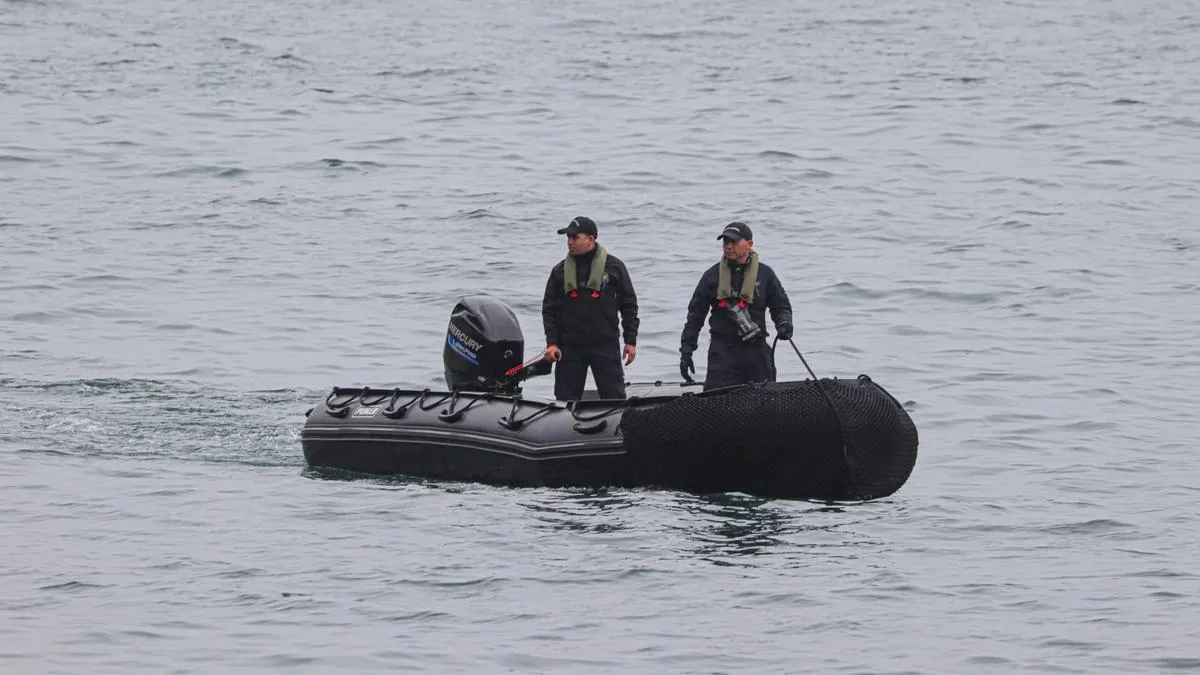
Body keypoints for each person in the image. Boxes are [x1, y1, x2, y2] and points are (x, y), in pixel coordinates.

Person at [679, 221, 794, 390]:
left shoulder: (765, 274)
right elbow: (695, 317)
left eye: (734, 242)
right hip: (723, 352)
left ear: (749, 244)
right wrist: (686, 351)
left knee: (766, 401)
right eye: (726, 242)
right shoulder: (711, 276)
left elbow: (781, 306)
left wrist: (784, 323)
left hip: (757, 350)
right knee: (716, 402)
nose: (728, 246)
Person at [541, 216, 639, 401]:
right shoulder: (558, 272)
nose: (569, 242)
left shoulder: (615, 267)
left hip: (605, 344)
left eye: (574, 237)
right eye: (567, 238)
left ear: (591, 239)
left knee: (615, 398)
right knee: (564, 401)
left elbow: (629, 305)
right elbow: (549, 310)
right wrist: (552, 343)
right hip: (570, 348)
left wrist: (630, 340)